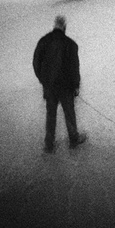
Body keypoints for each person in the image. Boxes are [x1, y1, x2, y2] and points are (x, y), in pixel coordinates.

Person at [32, 15, 87, 153]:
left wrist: (43, 80)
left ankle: (49, 144)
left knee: (51, 114)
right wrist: (76, 85)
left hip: (49, 86)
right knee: (69, 113)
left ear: (54, 26)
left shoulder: (43, 41)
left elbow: (36, 63)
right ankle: (73, 139)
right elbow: (74, 68)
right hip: (66, 87)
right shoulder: (71, 44)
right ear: (64, 27)